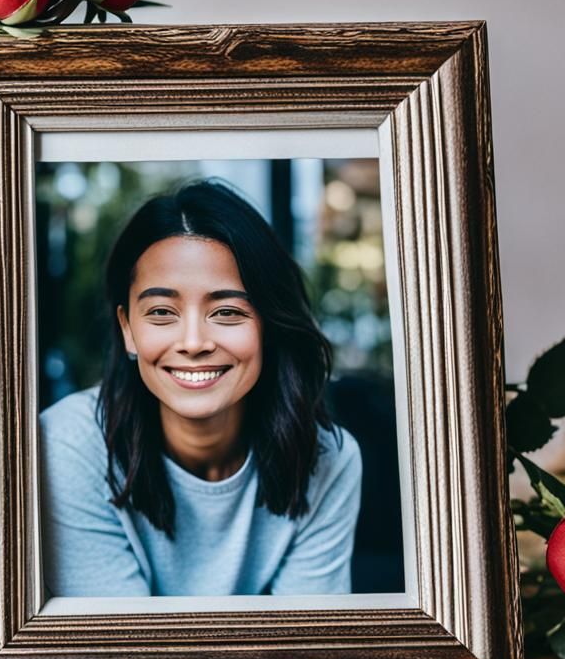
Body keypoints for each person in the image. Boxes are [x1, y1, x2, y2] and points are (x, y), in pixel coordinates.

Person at [39, 179, 362, 597]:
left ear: (269, 325)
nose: (193, 342)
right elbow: (117, 654)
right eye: (161, 312)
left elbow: (308, 652)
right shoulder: (68, 444)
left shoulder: (327, 460)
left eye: (227, 311)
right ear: (127, 330)